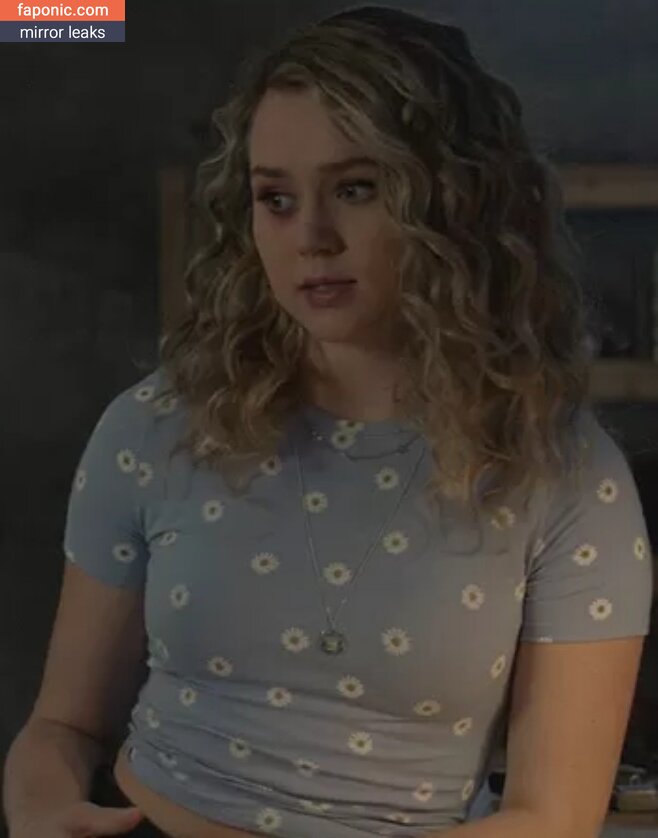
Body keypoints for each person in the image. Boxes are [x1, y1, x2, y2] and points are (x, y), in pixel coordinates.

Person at [3, 5, 654, 838]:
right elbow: (61, 728)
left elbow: (551, 817)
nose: (311, 238)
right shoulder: (159, 426)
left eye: (356, 190)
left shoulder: (563, 474)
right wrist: (41, 809)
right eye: (276, 198)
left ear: (453, 201)